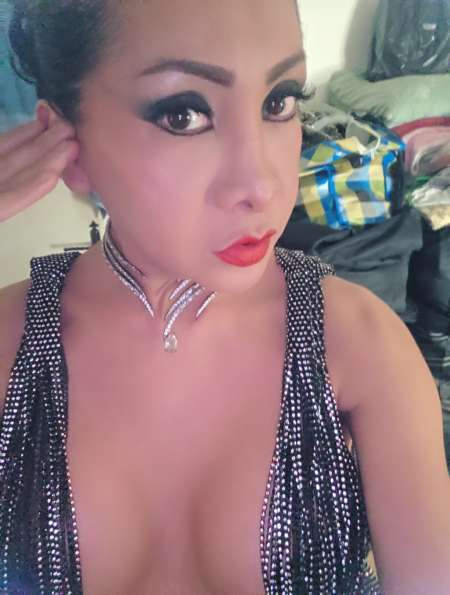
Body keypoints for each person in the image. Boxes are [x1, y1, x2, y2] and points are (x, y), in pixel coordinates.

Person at [0, 1, 449, 593]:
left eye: (279, 101)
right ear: (67, 140)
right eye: (184, 114)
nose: (261, 184)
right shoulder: (8, 346)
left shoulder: (360, 346)